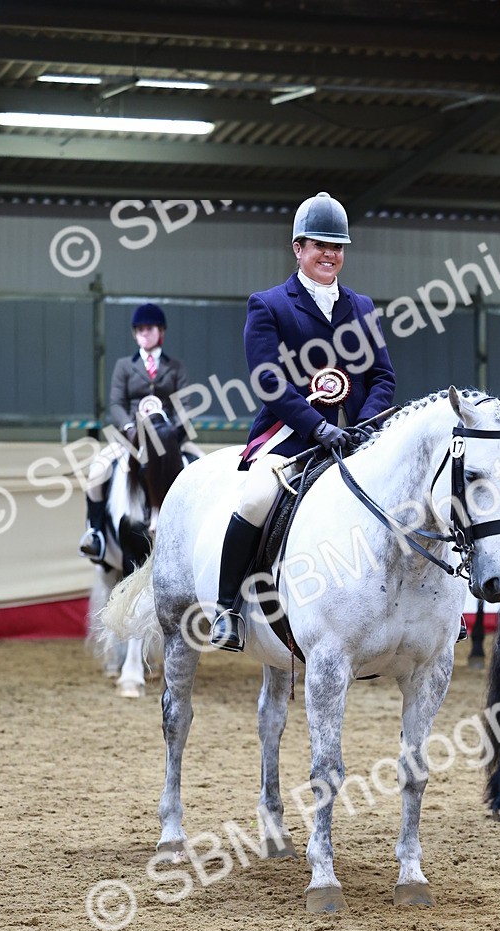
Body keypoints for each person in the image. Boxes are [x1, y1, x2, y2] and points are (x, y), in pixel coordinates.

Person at [210, 190, 396, 651]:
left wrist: (364, 425)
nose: (329, 255)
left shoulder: (363, 307)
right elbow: (268, 380)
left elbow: (383, 377)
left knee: (410, 492)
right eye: (319, 246)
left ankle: (428, 609)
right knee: (255, 498)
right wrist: (318, 427)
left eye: (337, 247)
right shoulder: (269, 304)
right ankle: (228, 608)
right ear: (299, 249)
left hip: (357, 437)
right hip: (292, 436)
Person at [79, 303, 198, 560]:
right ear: (135, 334)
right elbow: (116, 404)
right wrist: (130, 428)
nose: (145, 333)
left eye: (150, 328)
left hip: (169, 437)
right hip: (133, 438)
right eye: (140, 329)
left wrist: (174, 431)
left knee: (203, 468)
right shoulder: (124, 366)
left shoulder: (175, 367)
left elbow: (184, 405)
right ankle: (95, 533)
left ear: (161, 332)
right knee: (97, 471)